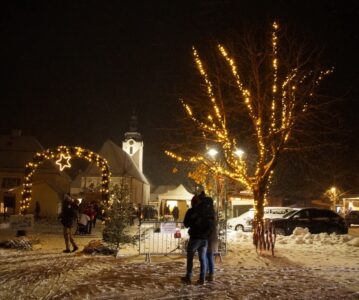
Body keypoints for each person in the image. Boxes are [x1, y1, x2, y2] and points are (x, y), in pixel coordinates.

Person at [181, 193, 215, 285]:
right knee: (202, 259)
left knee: (190, 258)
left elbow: (186, 224)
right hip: (204, 239)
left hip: (195, 238)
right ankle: (202, 279)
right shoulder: (207, 211)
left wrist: (192, 221)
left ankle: (188, 277)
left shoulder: (192, 211)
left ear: (193, 202)